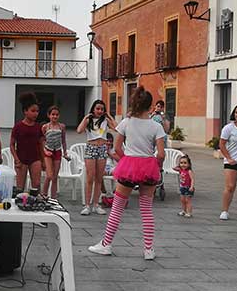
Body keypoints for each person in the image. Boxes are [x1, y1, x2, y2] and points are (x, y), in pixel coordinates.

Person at [88, 86, 165, 260]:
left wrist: (125, 160)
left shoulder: (126, 123)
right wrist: (155, 164)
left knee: (117, 207)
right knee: (146, 209)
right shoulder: (156, 126)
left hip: (129, 165)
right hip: (148, 166)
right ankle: (148, 249)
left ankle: (106, 244)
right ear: (150, 105)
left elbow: (116, 147)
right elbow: (161, 154)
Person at [76, 99, 116, 215]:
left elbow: (116, 128)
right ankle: (87, 205)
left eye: (102, 109)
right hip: (91, 148)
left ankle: (96, 204)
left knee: (99, 178)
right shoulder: (89, 120)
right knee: (90, 177)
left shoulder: (105, 120)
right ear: (93, 109)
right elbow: (79, 130)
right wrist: (85, 118)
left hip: (102, 148)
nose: (100, 111)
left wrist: (109, 116)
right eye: (97, 108)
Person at [10, 92, 44, 192]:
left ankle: (35, 204)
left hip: (35, 158)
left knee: (36, 185)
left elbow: (41, 144)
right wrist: (16, 159)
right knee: (20, 188)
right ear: (25, 111)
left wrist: (43, 161)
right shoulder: (18, 126)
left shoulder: (38, 127)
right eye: (32, 111)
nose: (35, 114)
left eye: (37, 111)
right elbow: (12, 145)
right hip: (21, 159)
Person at [41, 106, 69, 199]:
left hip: (57, 151)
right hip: (48, 151)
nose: (55, 116)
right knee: (49, 175)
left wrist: (65, 152)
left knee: (55, 177)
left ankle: (53, 198)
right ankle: (43, 195)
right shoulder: (45, 127)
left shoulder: (62, 126)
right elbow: (42, 140)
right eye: (53, 114)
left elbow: (63, 140)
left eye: (57, 115)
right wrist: (44, 150)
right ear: (49, 115)